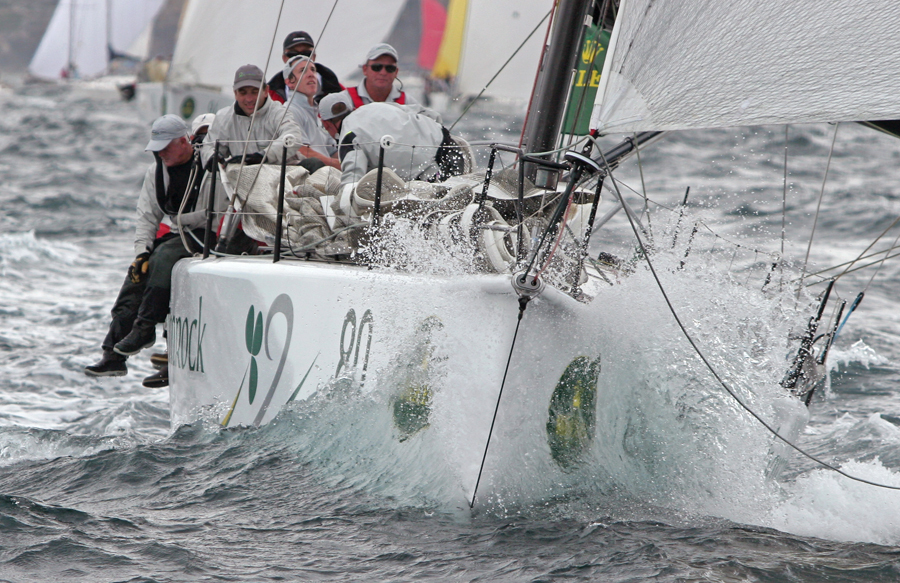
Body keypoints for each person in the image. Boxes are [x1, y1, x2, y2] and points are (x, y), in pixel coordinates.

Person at [84, 115, 225, 378]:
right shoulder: (156, 171)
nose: (160, 153)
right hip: (178, 234)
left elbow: (215, 213)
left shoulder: (209, 165)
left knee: (162, 259)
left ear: (185, 141)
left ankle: (145, 328)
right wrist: (140, 255)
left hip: (210, 235)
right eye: (156, 148)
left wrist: (180, 220)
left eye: (166, 147)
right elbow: (147, 216)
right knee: (135, 278)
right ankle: (112, 355)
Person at [318, 93, 464, 186]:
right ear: (352, 108)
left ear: (326, 123)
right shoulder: (377, 106)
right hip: (449, 145)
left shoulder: (348, 136)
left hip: (431, 174)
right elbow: (431, 114)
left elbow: (353, 179)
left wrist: (344, 203)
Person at [201, 64, 312, 170]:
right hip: (240, 183)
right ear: (235, 93)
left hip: (283, 180)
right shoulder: (224, 117)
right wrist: (212, 157)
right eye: (243, 93)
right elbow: (208, 146)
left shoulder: (278, 112)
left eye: (255, 92)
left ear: (266, 91)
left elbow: (293, 137)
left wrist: (263, 156)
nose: (249, 99)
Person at [282, 55, 340, 169]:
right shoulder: (289, 111)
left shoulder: (315, 112)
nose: (311, 74)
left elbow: (332, 150)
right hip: (309, 179)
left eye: (313, 70)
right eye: (303, 71)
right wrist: (337, 165)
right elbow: (300, 151)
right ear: (289, 82)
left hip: (327, 175)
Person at [267, 30, 342, 104]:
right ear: (284, 58)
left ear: (314, 56)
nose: (300, 59)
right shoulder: (268, 95)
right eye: (293, 54)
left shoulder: (337, 88)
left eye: (307, 53)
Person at [341, 43, 418, 109]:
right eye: (377, 67)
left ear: (396, 72)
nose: (383, 72)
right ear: (365, 69)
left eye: (390, 68)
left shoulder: (409, 104)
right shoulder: (344, 101)